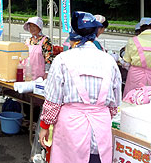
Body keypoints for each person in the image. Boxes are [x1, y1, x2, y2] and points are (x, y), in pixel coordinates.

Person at [39, 11, 122, 163]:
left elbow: (53, 100)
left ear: (73, 36)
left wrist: (45, 125)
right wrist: (99, 113)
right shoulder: (109, 61)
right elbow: (115, 104)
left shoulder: (63, 59)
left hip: (70, 127)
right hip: (101, 126)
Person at [123, 17, 151, 98]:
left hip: (136, 77)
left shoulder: (133, 40)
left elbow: (126, 60)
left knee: (132, 100)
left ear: (141, 27)